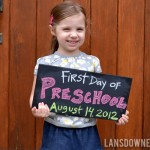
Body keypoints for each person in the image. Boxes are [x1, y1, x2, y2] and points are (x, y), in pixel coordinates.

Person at [29, 1, 129, 150]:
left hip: (88, 133)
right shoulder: (45, 63)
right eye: (66, 29)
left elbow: (102, 97)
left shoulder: (92, 62)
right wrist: (38, 109)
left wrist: (116, 112)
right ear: (53, 30)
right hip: (56, 133)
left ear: (86, 30)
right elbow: (34, 99)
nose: (74, 34)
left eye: (79, 29)